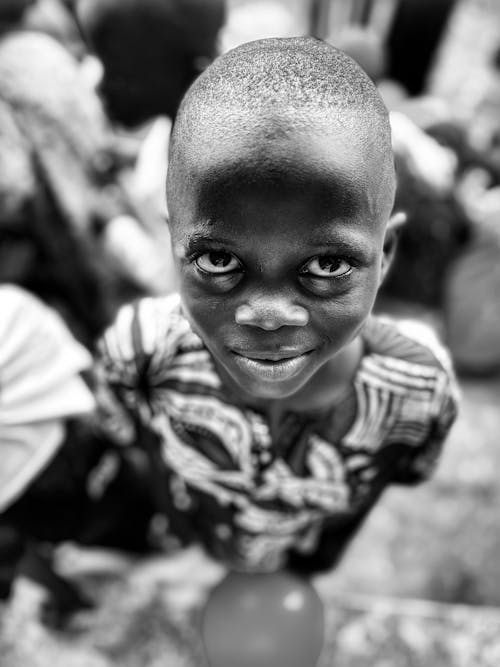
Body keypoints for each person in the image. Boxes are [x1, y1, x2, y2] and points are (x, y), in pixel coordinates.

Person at [93, 37, 459, 575]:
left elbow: (389, 480)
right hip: (194, 532)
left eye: (328, 267)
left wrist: (321, 557)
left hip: (307, 550)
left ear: (383, 255)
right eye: (218, 260)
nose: (267, 313)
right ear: (174, 243)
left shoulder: (418, 392)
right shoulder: (140, 351)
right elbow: (130, 440)